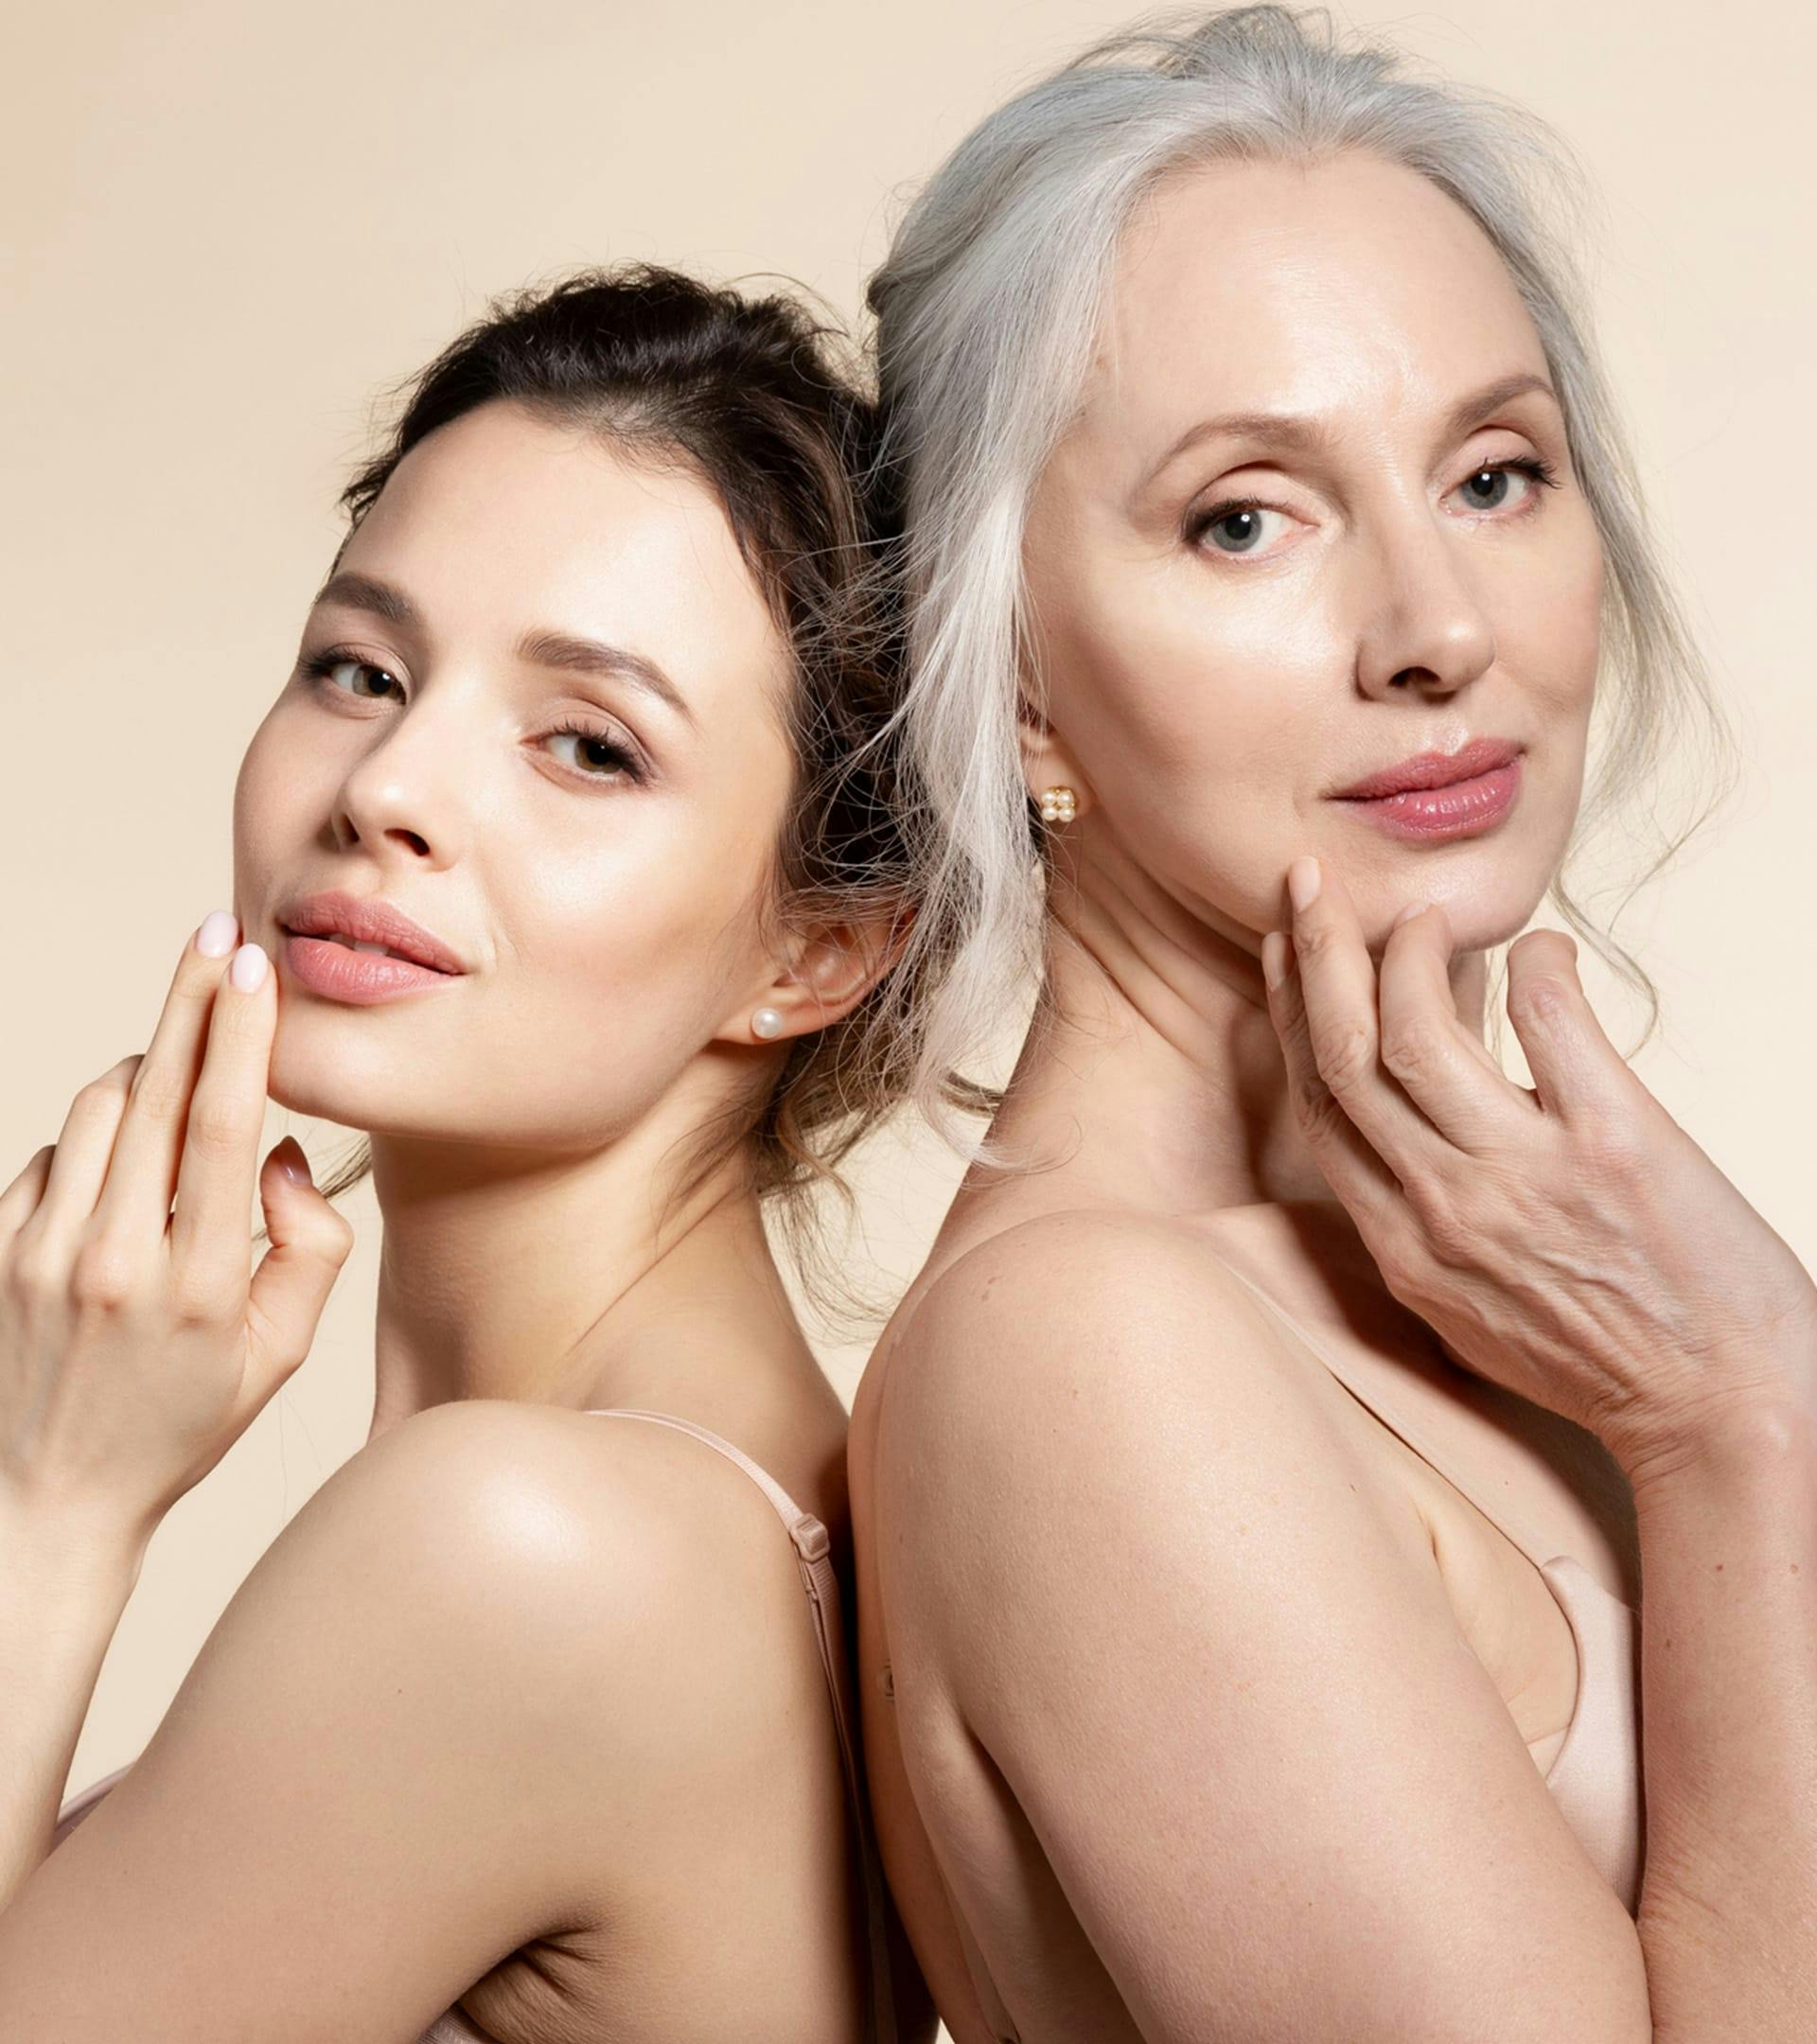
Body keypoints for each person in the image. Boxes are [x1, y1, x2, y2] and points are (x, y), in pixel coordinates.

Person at [849, 9, 1817, 2040]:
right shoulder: (1088, 1356)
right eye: (1242, 518)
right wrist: (1746, 1421)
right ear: (1011, 678)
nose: (1438, 630)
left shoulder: (1551, 1280)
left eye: (1494, 473)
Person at [0, 264, 935, 2042]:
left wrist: (43, 1500)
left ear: (812, 952)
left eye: (589, 745)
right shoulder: (746, 1501)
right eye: (360, 668)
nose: (389, 786)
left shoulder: (524, 1551)